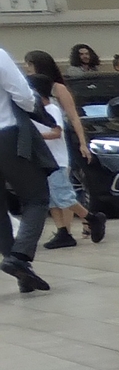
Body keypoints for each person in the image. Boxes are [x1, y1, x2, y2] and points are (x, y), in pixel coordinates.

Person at [0, 44, 54, 292]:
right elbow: (21, 94)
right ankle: (20, 257)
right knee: (37, 197)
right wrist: (37, 109)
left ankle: (22, 271)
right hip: (7, 135)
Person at [22, 51, 88, 247]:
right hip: (45, 148)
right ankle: (63, 230)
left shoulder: (56, 91)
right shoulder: (35, 99)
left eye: (30, 65)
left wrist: (83, 143)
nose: (27, 69)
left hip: (58, 144)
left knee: (62, 191)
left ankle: (76, 224)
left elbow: (73, 117)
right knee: (54, 193)